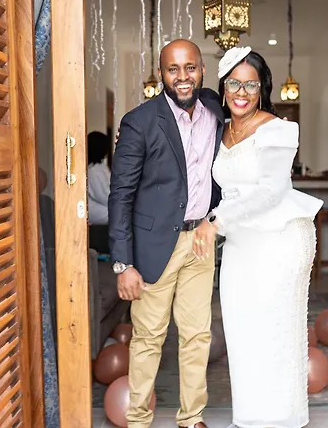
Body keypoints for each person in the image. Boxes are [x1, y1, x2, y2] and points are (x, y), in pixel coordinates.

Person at [193, 46, 323, 428]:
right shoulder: (221, 131)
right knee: (241, 333)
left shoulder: (278, 129)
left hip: (278, 241)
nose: (242, 92)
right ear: (223, 87)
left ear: (262, 88)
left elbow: (271, 191)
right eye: (234, 83)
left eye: (251, 84)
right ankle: (249, 418)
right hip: (240, 244)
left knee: (274, 335)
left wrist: (214, 222)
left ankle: (280, 420)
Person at [108, 39, 224, 428]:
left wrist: (214, 218)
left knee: (197, 336)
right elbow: (120, 195)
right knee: (148, 338)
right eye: (173, 69)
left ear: (202, 69)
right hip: (154, 246)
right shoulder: (139, 121)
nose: (183, 76)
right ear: (161, 74)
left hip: (200, 241)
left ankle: (191, 419)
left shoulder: (215, 111)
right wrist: (123, 263)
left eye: (190, 67)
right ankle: (139, 420)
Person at [88, 131, 111, 225]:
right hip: (95, 209)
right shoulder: (93, 170)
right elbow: (103, 196)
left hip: (105, 205)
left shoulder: (101, 166)